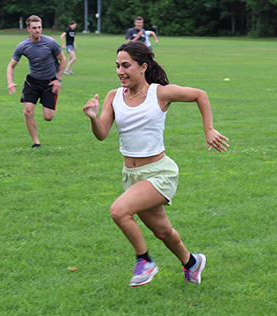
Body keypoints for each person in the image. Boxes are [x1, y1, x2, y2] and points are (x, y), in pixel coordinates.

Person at [83, 42, 229, 287]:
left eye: (126, 65)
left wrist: (209, 129)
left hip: (159, 173)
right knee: (162, 232)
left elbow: (199, 95)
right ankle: (192, 262)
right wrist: (94, 118)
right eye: (117, 66)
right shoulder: (114, 96)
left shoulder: (159, 93)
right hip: (131, 175)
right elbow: (102, 134)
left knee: (119, 211)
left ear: (143, 67)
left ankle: (145, 261)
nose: (120, 71)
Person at [7, 15, 67, 148]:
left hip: (50, 82)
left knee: (48, 117)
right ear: (28, 29)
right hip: (32, 82)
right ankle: (36, 143)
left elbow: (63, 59)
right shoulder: (23, 46)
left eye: (39, 27)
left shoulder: (50, 43)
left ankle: (47, 103)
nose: (37, 30)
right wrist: (10, 82)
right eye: (34, 28)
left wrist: (59, 79)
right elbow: (11, 66)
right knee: (27, 111)